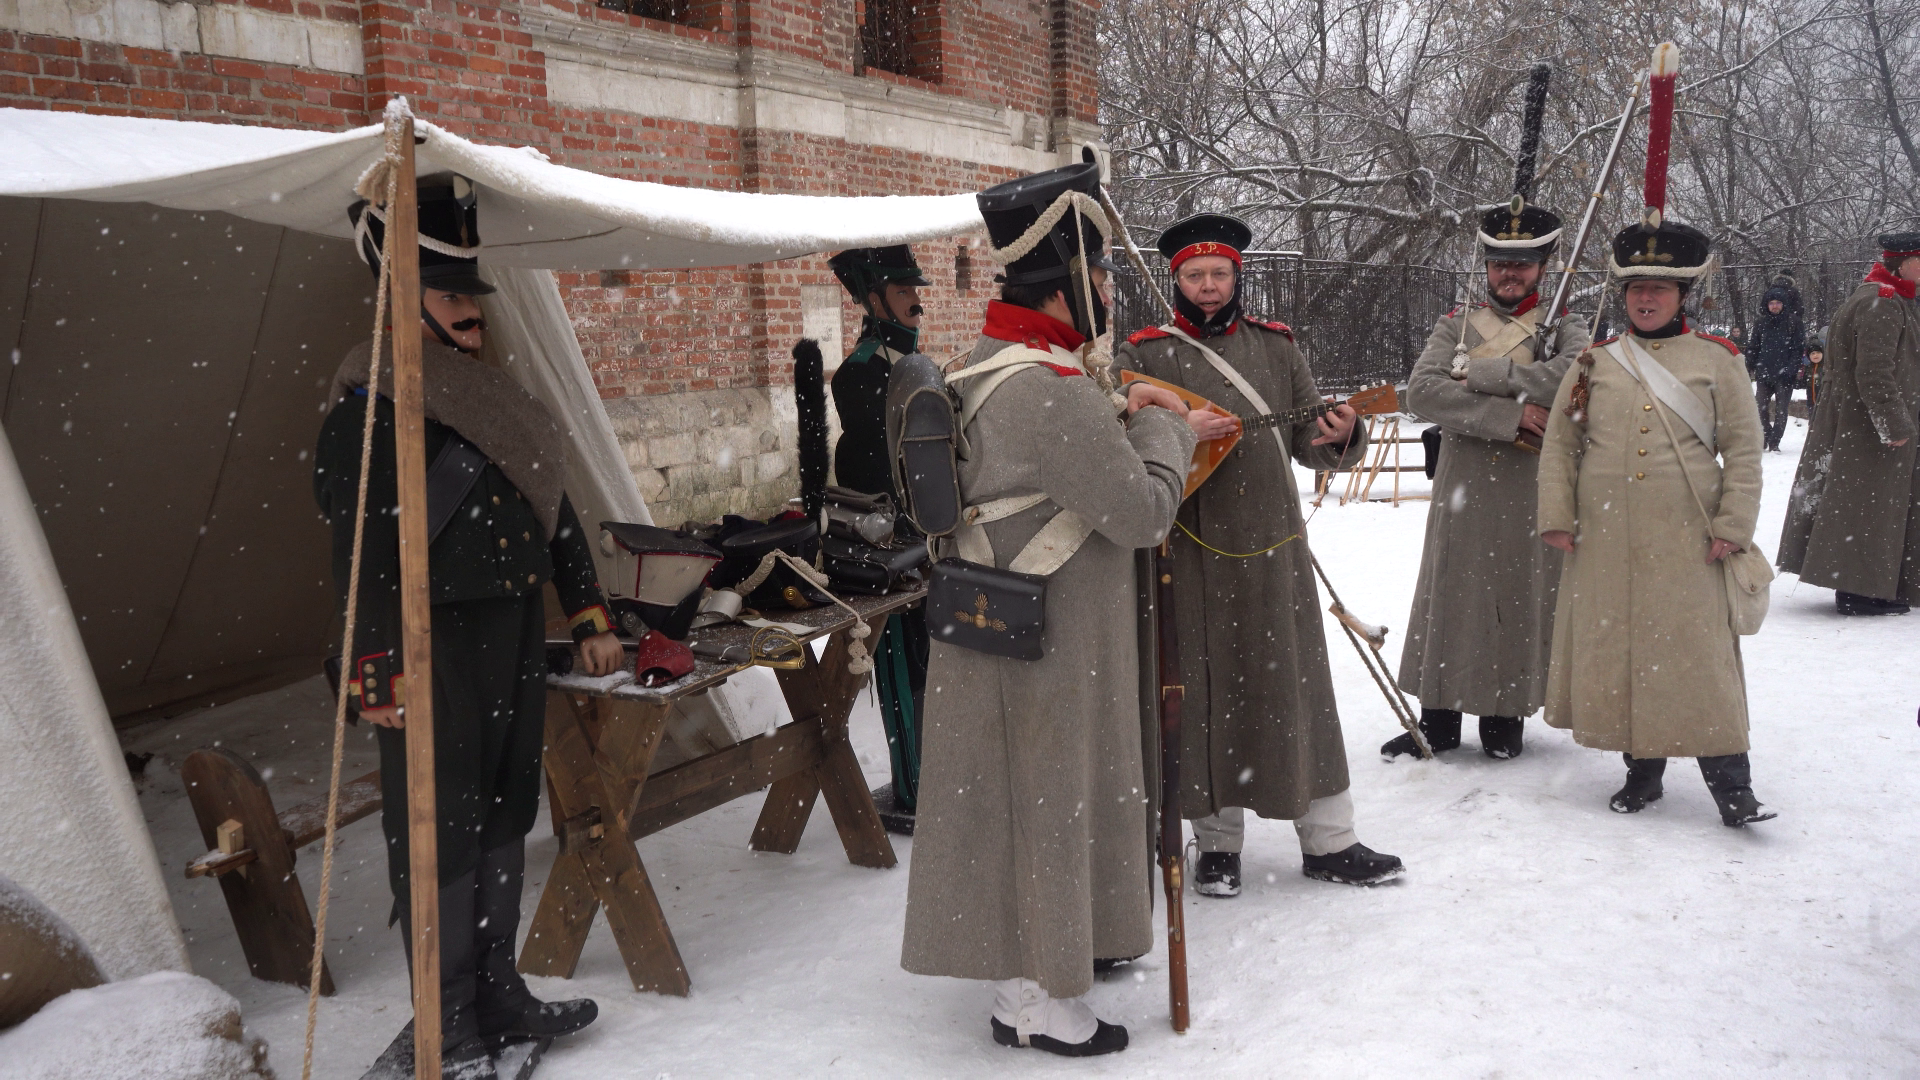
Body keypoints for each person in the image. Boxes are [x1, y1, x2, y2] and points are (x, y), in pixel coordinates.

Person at [314, 176, 623, 1077]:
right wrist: (375, 672)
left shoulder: (499, 402)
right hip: (426, 648)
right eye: (452, 296)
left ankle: (495, 990)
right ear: (405, 303)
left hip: (513, 634)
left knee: (504, 808)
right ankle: (444, 1022)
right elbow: (358, 556)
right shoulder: (365, 411)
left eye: (470, 297)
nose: (472, 315)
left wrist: (589, 610)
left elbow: (552, 505)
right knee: (435, 827)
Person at [899, 162, 1199, 1057]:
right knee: (1050, 802)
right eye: (1099, 279)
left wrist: (1116, 404)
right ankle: (1046, 1005)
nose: (1107, 294)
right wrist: (1167, 424)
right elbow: (1144, 512)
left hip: (1000, 623)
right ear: (1074, 284)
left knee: (1009, 802)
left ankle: (1021, 985)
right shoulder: (1056, 391)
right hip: (1053, 639)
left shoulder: (990, 364)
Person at [1113, 213, 1402, 899]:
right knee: (1202, 694)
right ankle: (1217, 845)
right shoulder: (1145, 355)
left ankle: (1330, 839)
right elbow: (1123, 447)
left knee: (1294, 690)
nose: (1208, 286)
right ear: (1174, 280)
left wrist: (1342, 435)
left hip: (1273, 549)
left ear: (1236, 277)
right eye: (1193, 275)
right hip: (1187, 551)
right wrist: (1181, 429)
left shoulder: (1276, 347)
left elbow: (1309, 437)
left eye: (1219, 274)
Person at [1535, 205, 1774, 827]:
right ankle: (1643, 773)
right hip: (1605, 538)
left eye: (1659, 288)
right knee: (1622, 653)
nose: (1646, 299)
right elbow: (1561, 446)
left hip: (1687, 537)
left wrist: (1732, 527)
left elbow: (1744, 452)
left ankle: (1733, 786)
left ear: (1681, 295)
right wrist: (1557, 516)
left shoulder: (1716, 360)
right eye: (1637, 288)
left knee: (1700, 658)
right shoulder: (1593, 362)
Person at [1387, 195, 1590, 763]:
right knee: (1450, 596)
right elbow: (1425, 390)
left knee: (1516, 596)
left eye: (1522, 263)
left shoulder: (1567, 326)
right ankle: (1439, 719)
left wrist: (1480, 374)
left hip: (1532, 486)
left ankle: (1505, 717)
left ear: (1543, 266)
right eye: (1500, 261)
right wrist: (1512, 413)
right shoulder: (1454, 324)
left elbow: (1571, 383)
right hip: (1464, 485)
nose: (1510, 272)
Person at [825, 245, 931, 827]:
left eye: (916, 289)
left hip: (924, 535)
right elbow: (878, 467)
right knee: (901, 663)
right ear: (873, 298)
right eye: (902, 290)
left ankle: (936, 777)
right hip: (886, 544)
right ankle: (916, 787)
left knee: (933, 659)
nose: (916, 300)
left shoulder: (910, 361)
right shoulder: (865, 371)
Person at [1776, 233, 1920, 616]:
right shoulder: (1883, 303)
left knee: (1862, 504)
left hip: (1857, 421)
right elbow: (1874, 372)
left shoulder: (1881, 296)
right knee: (1867, 507)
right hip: (1868, 426)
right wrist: (1895, 424)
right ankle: (1860, 590)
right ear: (1901, 262)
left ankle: (1867, 586)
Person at [1747, 277, 1806, 452]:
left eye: (1778, 303)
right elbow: (1753, 346)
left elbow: (1798, 349)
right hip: (1764, 372)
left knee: (1781, 410)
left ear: (1783, 304)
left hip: (1784, 375)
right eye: (1771, 303)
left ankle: (1775, 442)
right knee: (1760, 409)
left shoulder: (1794, 323)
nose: (1774, 306)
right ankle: (1766, 435)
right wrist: (1750, 365)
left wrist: (1790, 369)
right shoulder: (1760, 323)